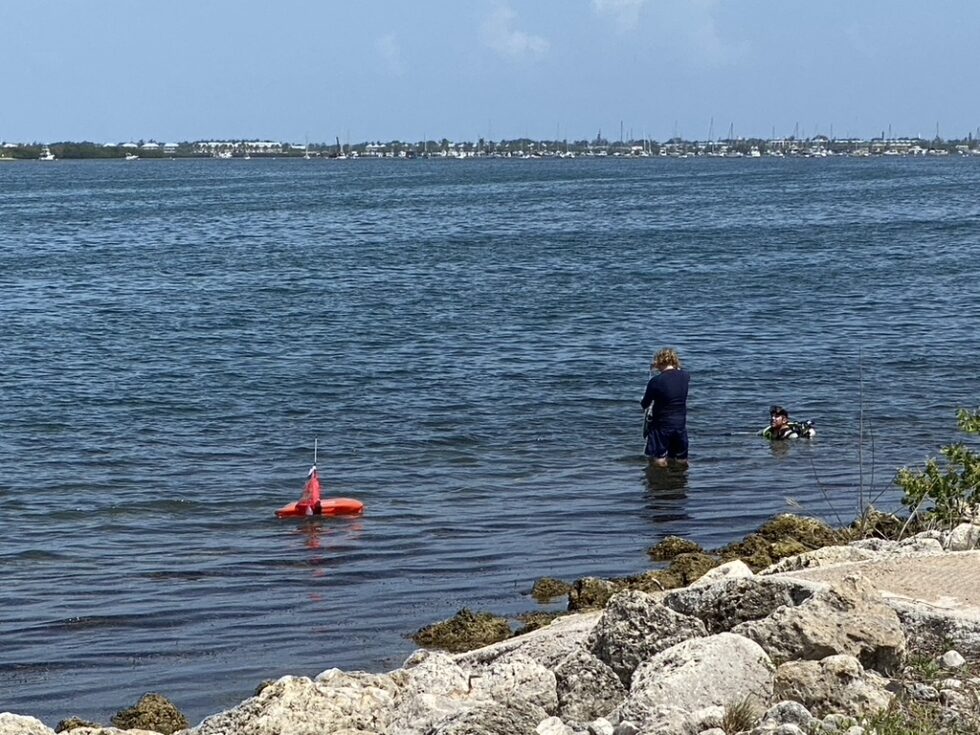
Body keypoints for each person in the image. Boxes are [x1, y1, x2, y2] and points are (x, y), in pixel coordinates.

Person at [640, 347, 690, 466]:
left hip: (661, 425)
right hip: (680, 424)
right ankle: (680, 475)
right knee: (680, 458)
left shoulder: (655, 381)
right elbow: (677, 373)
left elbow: (645, 404)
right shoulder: (685, 376)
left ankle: (660, 476)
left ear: (659, 362)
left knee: (658, 458)